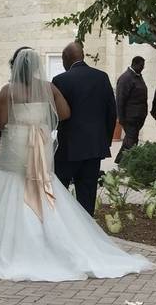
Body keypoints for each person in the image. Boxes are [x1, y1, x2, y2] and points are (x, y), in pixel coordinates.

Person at [0, 47, 152, 282]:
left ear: (14, 66)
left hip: (16, 148)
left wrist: (5, 127)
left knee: (9, 188)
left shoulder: (8, 91)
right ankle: (53, 241)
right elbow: (65, 113)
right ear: (36, 67)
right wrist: (40, 120)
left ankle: (13, 244)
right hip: (40, 145)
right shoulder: (48, 88)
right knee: (46, 189)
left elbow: (1, 120)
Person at [51, 42, 117, 216]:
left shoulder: (60, 80)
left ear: (66, 59)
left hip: (68, 147)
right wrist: (105, 141)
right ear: (82, 55)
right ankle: (87, 230)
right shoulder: (102, 77)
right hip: (94, 147)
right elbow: (112, 112)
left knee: (59, 190)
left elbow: (55, 114)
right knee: (87, 194)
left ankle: (62, 225)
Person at [114, 56, 148, 163]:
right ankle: (124, 162)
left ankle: (121, 161)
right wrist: (120, 117)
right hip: (130, 117)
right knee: (131, 139)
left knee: (132, 139)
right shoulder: (126, 78)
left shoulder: (138, 77)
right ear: (135, 64)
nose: (143, 68)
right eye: (142, 66)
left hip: (139, 116)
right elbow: (120, 99)